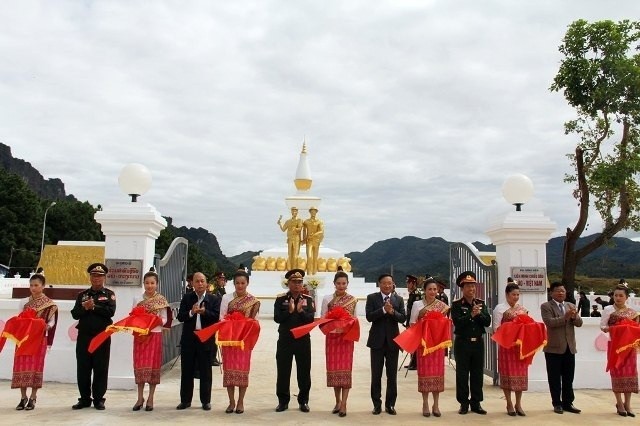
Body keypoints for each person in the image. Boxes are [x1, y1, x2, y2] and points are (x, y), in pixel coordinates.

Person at [70, 263, 116, 410]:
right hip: (84, 336)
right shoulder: (82, 295)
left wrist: (94, 307)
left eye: (100, 276)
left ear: (104, 278)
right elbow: (74, 314)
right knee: (83, 368)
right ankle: (84, 398)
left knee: (100, 368)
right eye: (94, 276)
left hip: (101, 337)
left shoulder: (109, 294)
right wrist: (85, 307)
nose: (96, 279)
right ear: (90, 277)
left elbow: (110, 312)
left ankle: (98, 399)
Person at [11, 273, 58, 411]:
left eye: (36, 285)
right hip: (24, 339)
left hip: (38, 339)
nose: (33, 288)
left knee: (36, 367)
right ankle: (23, 397)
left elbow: (51, 322)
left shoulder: (50, 304)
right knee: (21, 367)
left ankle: (33, 397)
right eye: (31, 285)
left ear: (43, 286)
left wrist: (42, 326)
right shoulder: (23, 302)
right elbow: (19, 318)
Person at [176, 272, 221, 411]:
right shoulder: (187, 298)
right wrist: (192, 312)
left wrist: (204, 313)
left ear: (207, 283)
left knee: (206, 371)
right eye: (197, 281)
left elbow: (217, 317)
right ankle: (185, 401)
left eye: (202, 281)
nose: (200, 284)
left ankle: (205, 401)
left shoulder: (214, 299)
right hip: (189, 339)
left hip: (206, 339)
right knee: (187, 371)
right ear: (193, 283)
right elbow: (180, 316)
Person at [274, 268, 315, 413]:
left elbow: (311, 319)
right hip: (285, 340)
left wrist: (300, 311)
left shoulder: (308, 300)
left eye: (299, 282)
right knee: (283, 371)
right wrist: (289, 311)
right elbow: (277, 318)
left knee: (304, 371)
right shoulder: (281, 299)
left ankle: (303, 401)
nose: (297, 284)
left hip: (303, 340)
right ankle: (283, 401)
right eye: (294, 282)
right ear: (288, 283)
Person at [219, 270, 260, 415]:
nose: (240, 286)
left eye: (243, 283)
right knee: (229, 372)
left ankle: (241, 401)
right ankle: (231, 401)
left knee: (242, 372)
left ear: (247, 283)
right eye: (237, 283)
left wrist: (245, 326)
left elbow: (254, 322)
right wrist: (231, 323)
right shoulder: (226, 298)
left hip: (244, 341)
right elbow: (221, 317)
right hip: (229, 340)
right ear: (233, 283)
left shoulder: (253, 301)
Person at [450, 271, 491, 415]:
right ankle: (463, 403)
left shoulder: (481, 303)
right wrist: (470, 315)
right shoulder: (456, 305)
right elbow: (458, 323)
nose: (471, 289)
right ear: (462, 288)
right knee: (462, 374)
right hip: (463, 343)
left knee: (477, 374)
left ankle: (476, 403)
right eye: (468, 286)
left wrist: (479, 314)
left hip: (478, 343)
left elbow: (487, 321)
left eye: (473, 286)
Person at [365, 274, 406, 415]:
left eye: (389, 283)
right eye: (384, 283)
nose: (387, 286)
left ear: (393, 284)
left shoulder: (398, 299)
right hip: (376, 342)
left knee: (392, 375)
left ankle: (390, 405)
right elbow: (369, 317)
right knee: (376, 375)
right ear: (379, 284)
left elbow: (403, 318)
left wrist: (392, 311)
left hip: (393, 343)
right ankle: (377, 404)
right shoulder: (372, 298)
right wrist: (383, 310)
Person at [409, 278, 450, 417]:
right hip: (424, 344)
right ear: (424, 291)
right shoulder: (417, 304)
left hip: (437, 345)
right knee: (425, 374)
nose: (432, 292)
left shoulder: (442, 305)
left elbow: (445, 324)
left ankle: (436, 404)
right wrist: (421, 317)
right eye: (430, 289)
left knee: (438, 374)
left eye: (435, 289)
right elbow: (412, 324)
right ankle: (425, 403)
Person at [541, 281, 583, 414]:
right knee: (554, 378)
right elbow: (549, 322)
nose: (560, 293)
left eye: (563, 291)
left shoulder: (570, 305)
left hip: (569, 348)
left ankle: (568, 402)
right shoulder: (546, 306)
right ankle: (557, 403)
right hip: (553, 348)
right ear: (551, 293)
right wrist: (564, 317)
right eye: (558, 291)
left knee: (568, 378)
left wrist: (575, 316)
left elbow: (579, 323)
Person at [320, 271, 358, 417]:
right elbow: (323, 318)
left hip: (346, 339)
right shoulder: (327, 299)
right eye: (338, 283)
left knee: (345, 371)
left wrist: (347, 324)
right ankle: (337, 401)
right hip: (332, 338)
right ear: (334, 284)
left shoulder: (353, 300)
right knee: (334, 371)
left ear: (347, 284)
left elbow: (354, 319)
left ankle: (344, 403)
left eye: (344, 283)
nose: (341, 286)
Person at [131, 269, 169, 412]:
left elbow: (165, 319)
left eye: (152, 283)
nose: (149, 286)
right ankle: (139, 398)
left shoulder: (161, 300)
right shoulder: (138, 300)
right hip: (140, 337)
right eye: (147, 283)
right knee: (140, 367)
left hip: (155, 334)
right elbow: (133, 317)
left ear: (157, 284)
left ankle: (151, 398)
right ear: (143, 284)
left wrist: (155, 321)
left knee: (153, 368)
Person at [600, 284, 639, 417]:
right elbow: (603, 325)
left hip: (629, 348)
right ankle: (619, 403)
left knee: (630, 374)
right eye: (616, 295)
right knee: (616, 373)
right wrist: (610, 329)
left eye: (621, 295)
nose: (618, 298)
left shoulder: (632, 312)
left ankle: (628, 403)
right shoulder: (608, 310)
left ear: (626, 297)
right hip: (615, 346)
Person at [492, 282, 530, 416]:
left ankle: (518, 403)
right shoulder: (500, 309)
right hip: (506, 346)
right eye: (513, 294)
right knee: (507, 374)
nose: (516, 297)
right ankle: (508, 402)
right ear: (507, 295)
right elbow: (496, 328)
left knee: (520, 375)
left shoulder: (522, 309)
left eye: (518, 295)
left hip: (519, 347)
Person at [210, 271, 227, 366]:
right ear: (217, 279)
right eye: (221, 279)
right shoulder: (213, 289)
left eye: (223, 279)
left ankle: (213, 357)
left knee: (217, 338)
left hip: (220, 316)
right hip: (214, 316)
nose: (223, 281)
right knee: (213, 339)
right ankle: (212, 358)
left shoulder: (222, 290)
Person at [404, 274, 420, 370]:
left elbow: (416, 311)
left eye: (408, 283)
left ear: (413, 283)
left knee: (414, 343)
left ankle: (415, 363)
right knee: (411, 343)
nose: (407, 285)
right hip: (409, 322)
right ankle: (412, 361)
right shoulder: (412, 294)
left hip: (414, 323)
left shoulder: (417, 294)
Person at [302, 207, 324, 275]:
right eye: (312, 211)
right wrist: (304, 239)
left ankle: (314, 273)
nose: (313, 213)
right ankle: (309, 273)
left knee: (315, 258)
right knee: (309, 257)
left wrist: (314, 235)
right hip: (309, 241)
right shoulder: (306, 221)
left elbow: (321, 231)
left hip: (316, 241)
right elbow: (304, 230)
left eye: (314, 211)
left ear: (316, 212)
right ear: (310, 212)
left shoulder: (319, 221)